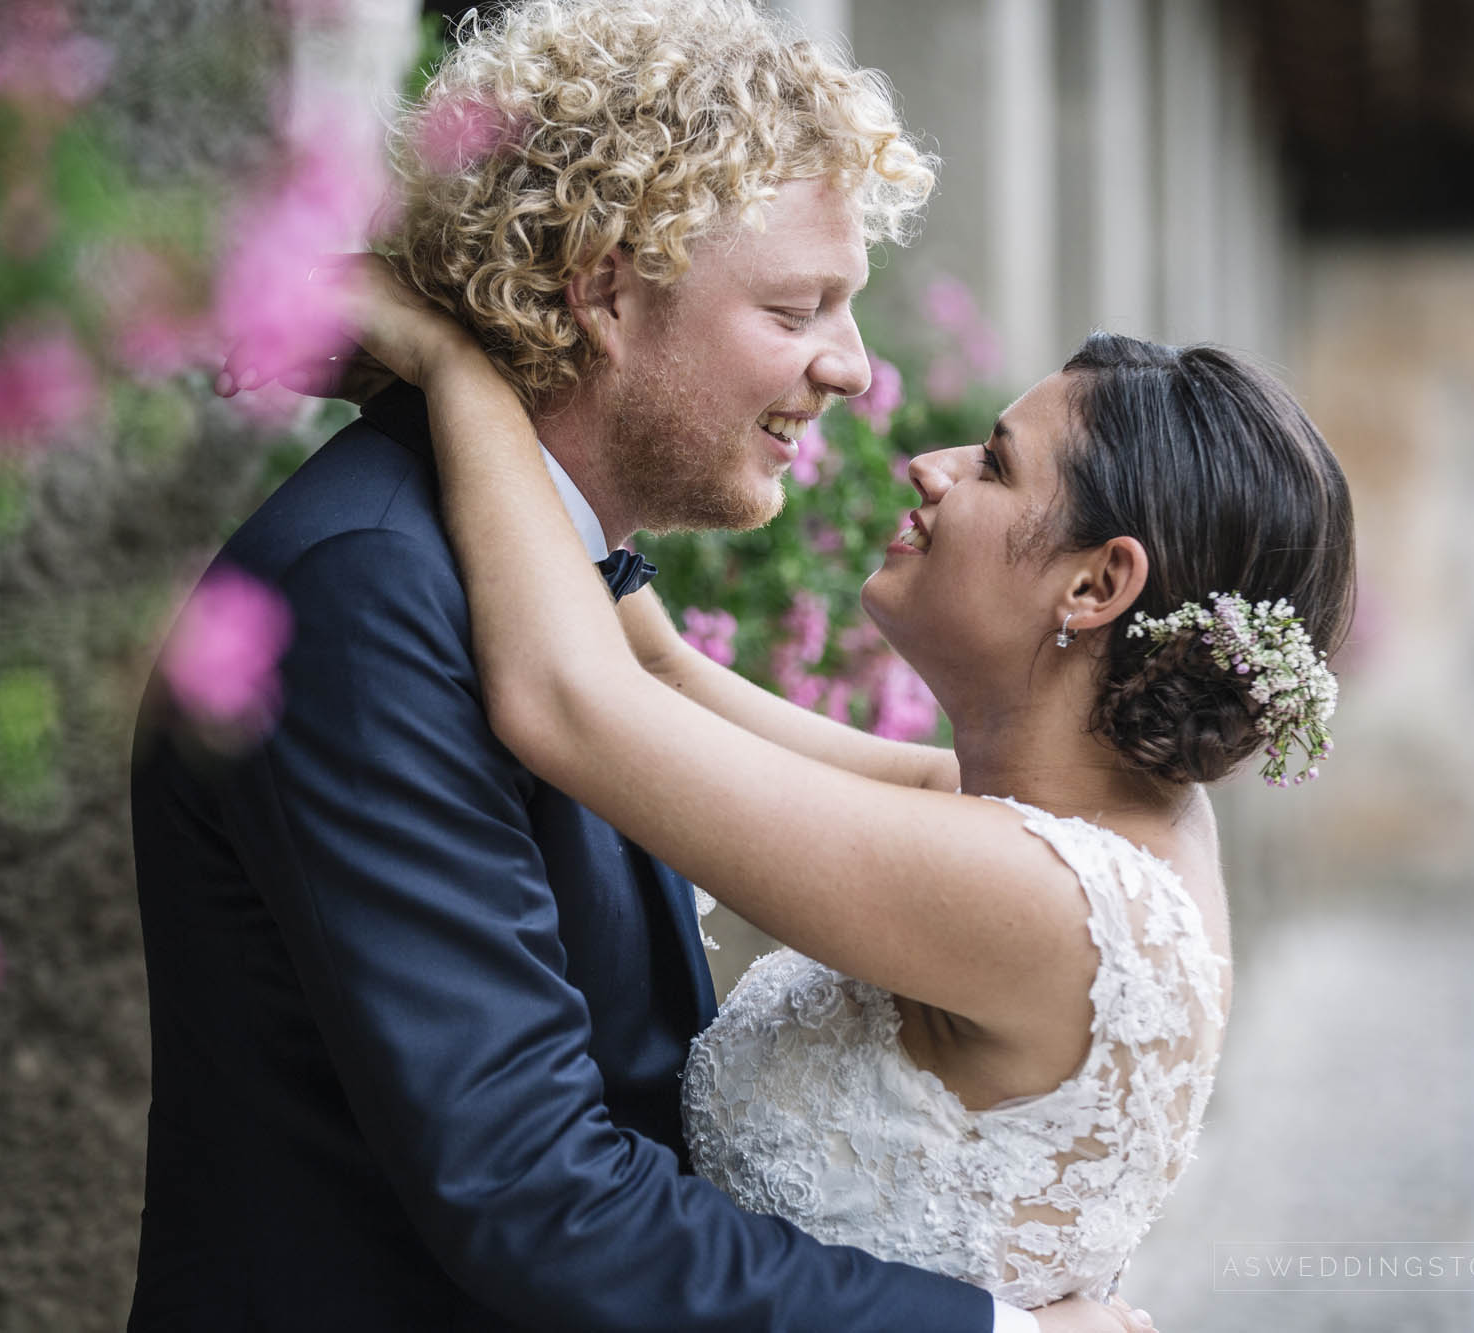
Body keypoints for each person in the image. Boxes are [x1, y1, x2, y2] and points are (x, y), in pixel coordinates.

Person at [130, 0, 1152, 1329]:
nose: (852, 367)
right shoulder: (369, 590)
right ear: (604, 290)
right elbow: (530, 1189)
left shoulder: (544, 587)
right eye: (799, 307)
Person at [272, 254, 1354, 1310]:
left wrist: (450, 360)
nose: (929, 464)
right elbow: (656, 670)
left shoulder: (1043, 900)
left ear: (1097, 582)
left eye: (992, 462)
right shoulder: (1093, 823)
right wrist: (547, 382)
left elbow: (568, 702)